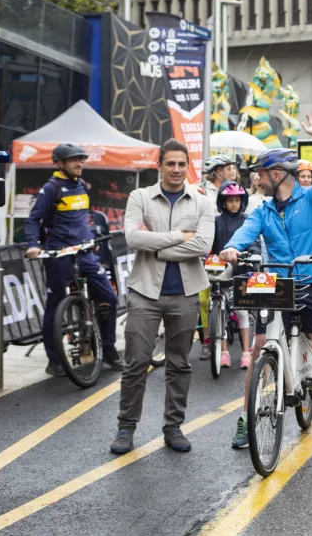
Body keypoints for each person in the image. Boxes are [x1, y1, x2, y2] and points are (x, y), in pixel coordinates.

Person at [219, 111, 312, 447]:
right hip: (278, 287)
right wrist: (231, 249)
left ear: (277, 174)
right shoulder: (262, 210)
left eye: (259, 174)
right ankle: (246, 415)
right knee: (261, 345)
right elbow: (244, 232)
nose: (255, 179)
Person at [111, 139, 215, 454]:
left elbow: (203, 246)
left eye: (181, 164)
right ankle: (126, 427)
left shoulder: (202, 202)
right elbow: (132, 237)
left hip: (185, 294)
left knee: (179, 363)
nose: (176, 169)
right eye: (170, 163)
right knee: (136, 363)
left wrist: (157, 246)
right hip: (144, 291)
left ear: (188, 166)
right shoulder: (139, 197)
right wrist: (175, 238)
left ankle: (173, 427)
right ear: (159, 165)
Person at [26, 143, 124, 378]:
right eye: (73, 160)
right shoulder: (51, 189)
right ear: (60, 164)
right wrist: (32, 244)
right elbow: (33, 220)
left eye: (81, 159)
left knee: (109, 298)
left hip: (85, 252)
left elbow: (83, 218)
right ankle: (54, 359)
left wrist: (90, 236)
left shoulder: (80, 185)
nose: (79, 164)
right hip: (59, 254)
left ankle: (108, 348)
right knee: (56, 302)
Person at [210, 181, 254, 369]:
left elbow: (253, 243)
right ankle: (223, 352)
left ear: (242, 201)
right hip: (219, 272)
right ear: (223, 202)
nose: (234, 204)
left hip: (242, 272)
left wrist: (250, 257)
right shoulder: (216, 221)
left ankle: (245, 353)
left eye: (237, 200)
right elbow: (210, 245)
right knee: (219, 311)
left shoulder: (247, 220)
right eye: (230, 201)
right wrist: (208, 257)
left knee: (242, 312)